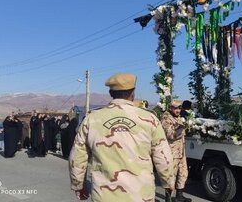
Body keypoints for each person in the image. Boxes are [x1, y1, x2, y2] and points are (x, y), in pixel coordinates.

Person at [69, 73, 174, 201]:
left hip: (104, 196)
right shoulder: (149, 119)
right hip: (140, 196)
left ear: (110, 93)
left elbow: (77, 157)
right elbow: (163, 156)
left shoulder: (92, 119)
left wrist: (78, 184)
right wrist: (168, 182)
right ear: (133, 93)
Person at [161, 99, 192, 202]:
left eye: (179, 108)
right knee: (171, 176)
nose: (178, 110)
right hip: (172, 153)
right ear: (170, 108)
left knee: (183, 173)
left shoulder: (179, 117)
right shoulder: (166, 118)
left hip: (181, 151)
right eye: (175, 108)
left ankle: (179, 196)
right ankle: (168, 199)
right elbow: (170, 135)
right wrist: (182, 128)